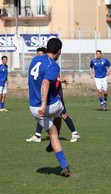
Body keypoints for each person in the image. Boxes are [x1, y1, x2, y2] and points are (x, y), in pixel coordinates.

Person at [28, 38, 70, 177]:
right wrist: (44, 104)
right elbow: (45, 82)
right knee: (58, 114)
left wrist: (58, 80)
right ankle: (62, 161)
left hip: (34, 108)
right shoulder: (54, 65)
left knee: (52, 135)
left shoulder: (35, 60)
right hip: (49, 105)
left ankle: (64, 165)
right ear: (59, 52)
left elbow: (41, 76)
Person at [26, 47, 80, 143]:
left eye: (41, 54)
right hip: (45, 96)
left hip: (55, 94)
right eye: (38, 54)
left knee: (62, 115)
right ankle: (38, 135)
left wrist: (60, 80)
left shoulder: (51, 64)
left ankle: (74, 133)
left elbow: (48, 80)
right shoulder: (41, 64)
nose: (39, 56)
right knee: (42, 114)